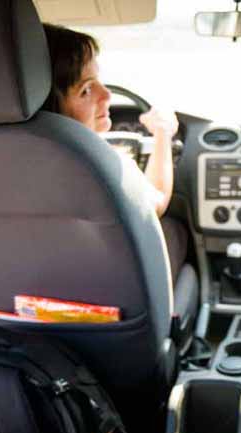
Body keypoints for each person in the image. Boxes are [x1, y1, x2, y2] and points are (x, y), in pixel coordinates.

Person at [41, 23, 187, 282]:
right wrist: (162, 133)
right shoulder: (103, 167)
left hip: (2, 312)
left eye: (98, 81)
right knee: (174, 232)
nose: (106, 95)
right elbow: (157, 203)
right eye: (86, 89)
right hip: (97, 308)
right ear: (47, 102)